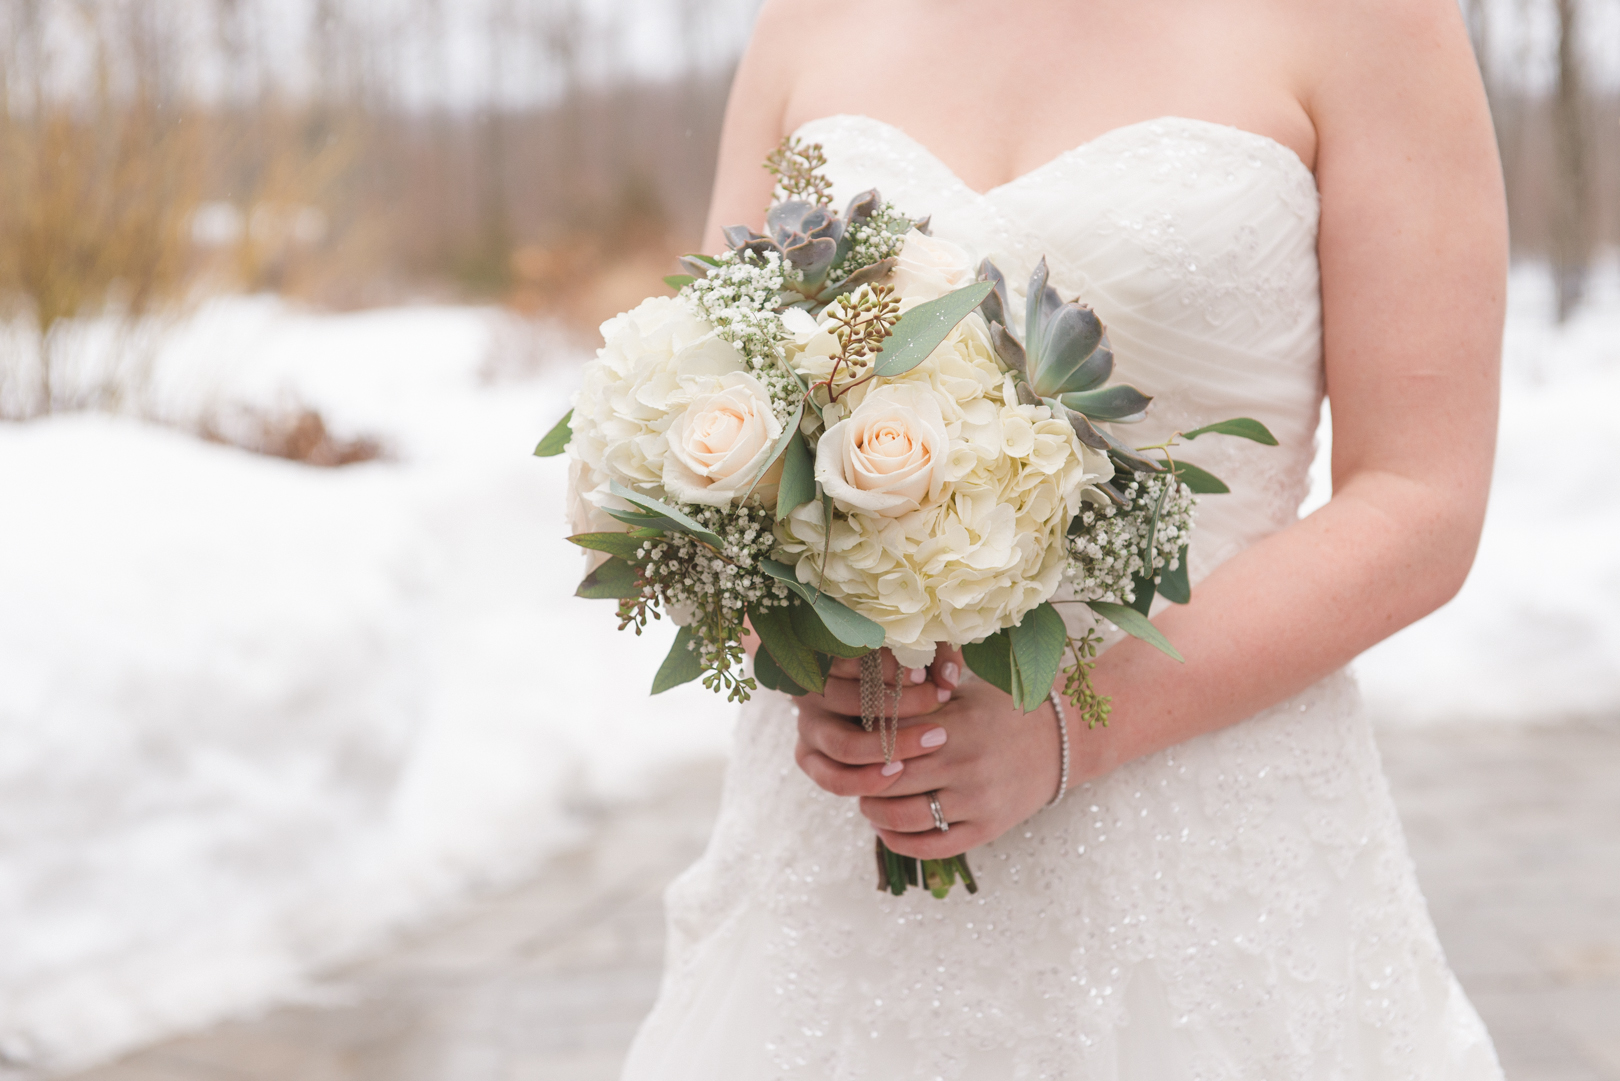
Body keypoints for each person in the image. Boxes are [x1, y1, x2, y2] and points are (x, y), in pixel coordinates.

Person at [621, 0, 1507, 1076]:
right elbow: (709, 408)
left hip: (1199, 854)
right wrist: (800, 651)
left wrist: (1075, 727)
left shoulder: (1377, 22)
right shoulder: (802, 18)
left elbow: (1419, 501)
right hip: (838, 871)